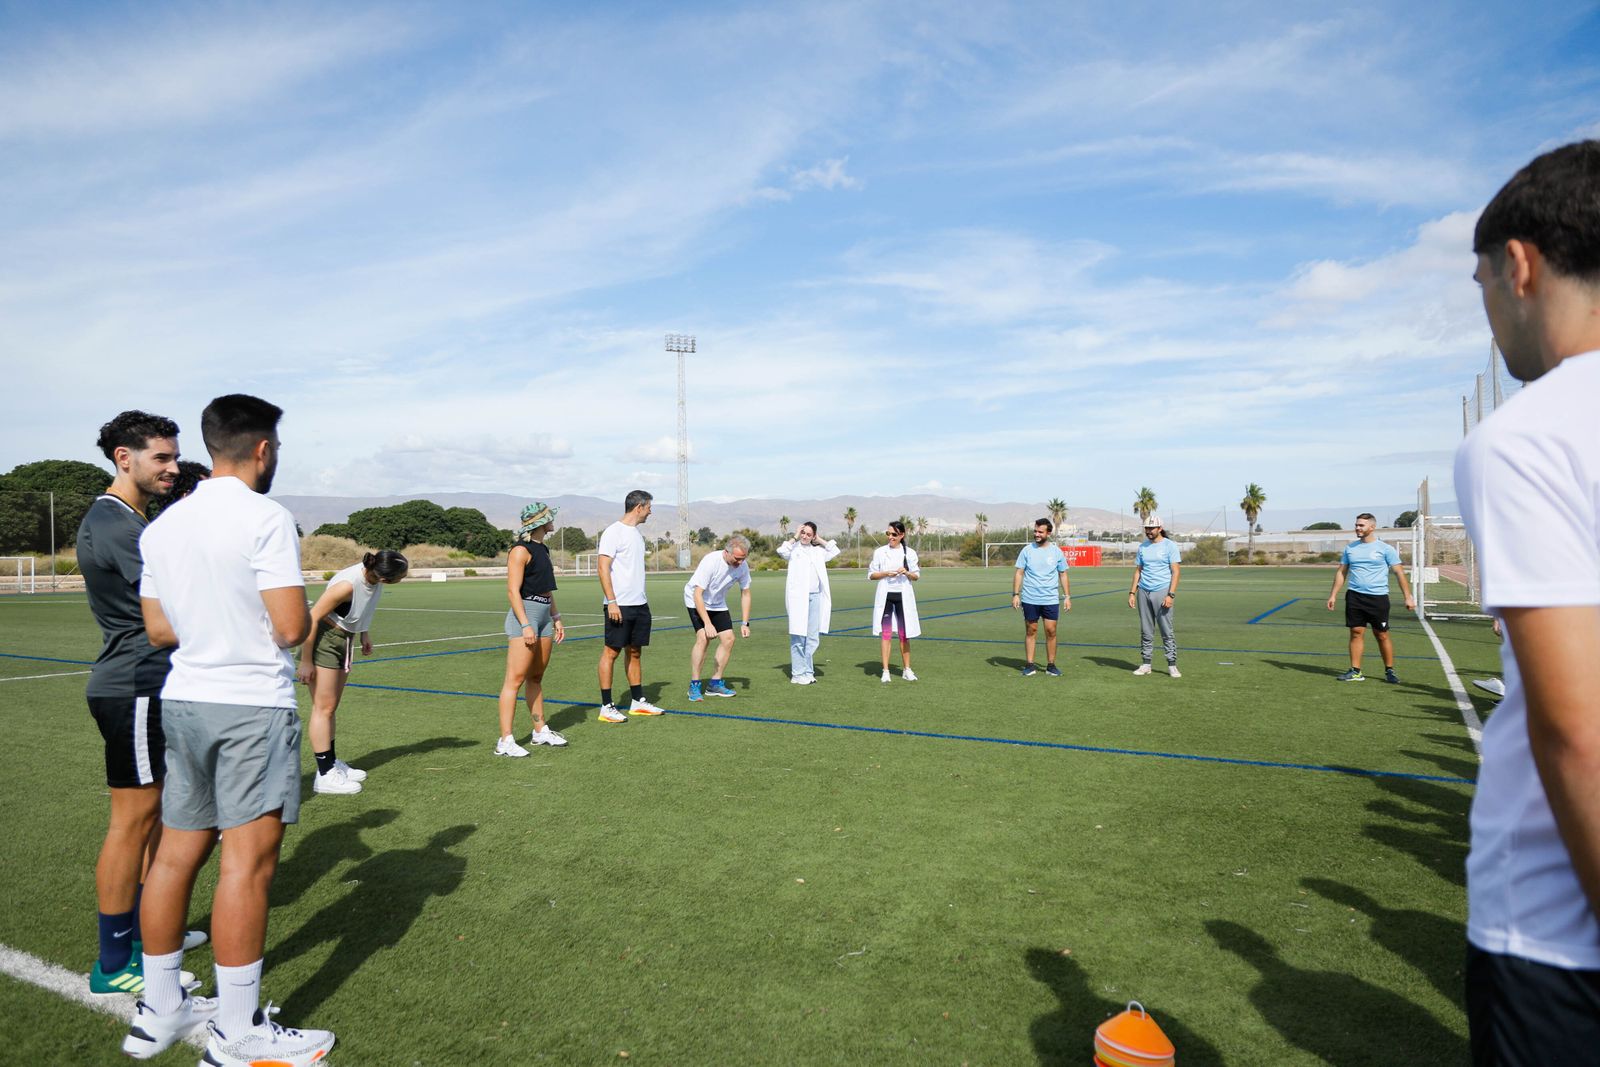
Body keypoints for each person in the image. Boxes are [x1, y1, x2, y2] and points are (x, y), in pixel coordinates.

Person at [127, 394, 335, 1065]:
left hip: (183, 699)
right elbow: (290, 626)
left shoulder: (161, 526)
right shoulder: (267, 517)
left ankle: (160, 1006)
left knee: (175, 853)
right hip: (249, 706)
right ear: (263, 449)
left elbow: (158, 628)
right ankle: (239, 1030)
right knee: (248, 862)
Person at [1454, 139, 1600, 1063]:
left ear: (1519, 264)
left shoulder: (1526, 439)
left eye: (1481, 290)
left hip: (1555, 930)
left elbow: (1576, 728)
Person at [77, 411, 208, 1005]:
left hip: (152, 686)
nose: (173, 468)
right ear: (123, 458)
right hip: (131, 687)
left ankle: (155, 935)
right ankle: (114, 960)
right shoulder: (115, 526)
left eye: (174, 457)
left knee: (157, 816)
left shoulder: (133, 520)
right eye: (162, 458)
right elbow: (172, 612)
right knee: (132, 820)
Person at [296, 549, 410, 792]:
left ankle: (331, 762)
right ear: (385, 578)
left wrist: (364, 633)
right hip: (323, 640)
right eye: (401, 577)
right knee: (323, 707)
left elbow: (363, 607)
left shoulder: (373, 579)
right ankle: (324, 774)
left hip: (344, 640)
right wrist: (305, 661)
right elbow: (312, 618)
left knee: (330, 707)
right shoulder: (347, 586)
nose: (403, 579)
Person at [496, 502, 568, 754]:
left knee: (536, 677)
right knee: (514, 680)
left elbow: (546, 590)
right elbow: (512, 591)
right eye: (549, 518)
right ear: (539, 523)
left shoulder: (543, 549)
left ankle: (540, 731)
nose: (553, 522)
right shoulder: (519, 550)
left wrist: (556, 617)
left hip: (544, 616)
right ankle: (505, 740)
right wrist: (526, 624)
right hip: (525, 617)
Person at [597, 490, 664, 721]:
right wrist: (612, 602)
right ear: (639, 507)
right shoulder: (613, 532)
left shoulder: (636, 534)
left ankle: (638, 702)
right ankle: (606, 706)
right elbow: (602, 568)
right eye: (648, 507)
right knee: (611, 652)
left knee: (635, 652)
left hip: (640, 604)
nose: (650, 511)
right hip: (619, 605)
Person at [1324, 513, 1415, 683]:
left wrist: (1408, 597)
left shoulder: (1386, 549)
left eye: (1361, 525)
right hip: (1354, 597)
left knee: (1381, 634)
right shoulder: (1350, 548)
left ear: (1372, 527)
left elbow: (1399, 573)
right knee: (1356, 632)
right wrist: (1333, 595)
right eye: (1357, 525)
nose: (1357, 528)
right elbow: (1341, 572)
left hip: (1378, 598)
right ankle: (1356, 671)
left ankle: (1389, 671)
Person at [684, 534, 752, 701]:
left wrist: (745, 623)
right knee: (703, 638)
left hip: (717, 603)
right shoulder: (711, 561)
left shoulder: (743, 566)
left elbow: (746, 593)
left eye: (743, 559)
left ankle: (715, 683)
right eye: (737, 559)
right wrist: (707, 624)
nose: (740, 563)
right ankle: (694, 685)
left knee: (729, 639)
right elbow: (697, 594)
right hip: (696, 600)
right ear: (727, 552)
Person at [777, 521, 840, 684]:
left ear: (813, 536)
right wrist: (795, 536)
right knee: (798, 635)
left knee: (812, 637)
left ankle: (807, 670)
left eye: (809, 534)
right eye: (803, 533)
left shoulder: (818, 552)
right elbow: (781, 550)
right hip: (798, 598)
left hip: (815, 598)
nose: (805, 536)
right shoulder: (793, 550)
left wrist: (820, 539)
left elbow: (834, 550)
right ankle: (797, 674)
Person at [1011, 518, 1070, 676]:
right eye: (1035, 531)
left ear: (1048, 533)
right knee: (1031, 630)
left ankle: (1051, 665)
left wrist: (1067, 596)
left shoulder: (1056, 552)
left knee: (1051, 631)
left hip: (1050, 598)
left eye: (1040, 532)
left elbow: (1063, 574)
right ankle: (1030, 664)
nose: (1036, 534)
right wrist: (1016, 594)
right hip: (1030, 598)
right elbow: (1019, 573)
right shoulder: (1026, 551)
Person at [1128, 515, 1181, 677]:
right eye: (1147, 528)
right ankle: (1146, 664)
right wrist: (1132, 592)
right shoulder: (1143, 547)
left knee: (1166, 630)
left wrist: (1170, 594)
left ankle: (1172, 665)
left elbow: (1176, 571)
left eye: (1152, 528)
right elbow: (1138, 571)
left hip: (1162, 591)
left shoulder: (1169, 546)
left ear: (1160, 528)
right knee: (1146, 630)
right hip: (1144, 591)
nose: (1149, 531)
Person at [869, 520, 921, 682]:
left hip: (902, 598)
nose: (890, 537)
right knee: (886, 635)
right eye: (888, 534)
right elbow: (871, 575)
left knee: (904, 635)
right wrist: (885, 573)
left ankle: (907, 669)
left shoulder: (909, 553)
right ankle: (885, 671)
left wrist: (906, 572)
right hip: (886, 597)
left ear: (901, 535)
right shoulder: (879, 552)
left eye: (894, 534)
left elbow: (916, 576)